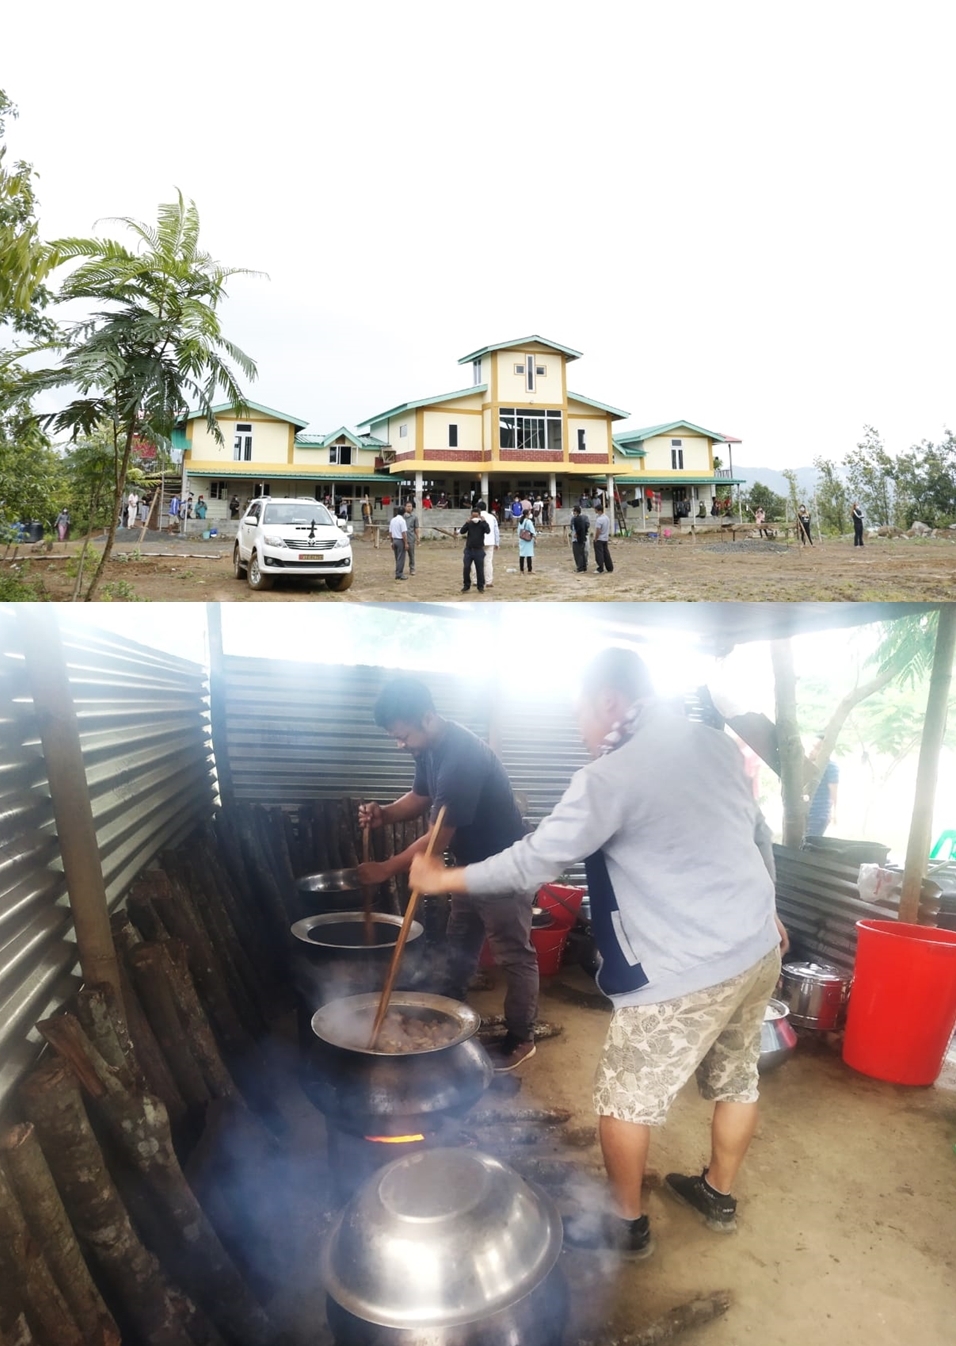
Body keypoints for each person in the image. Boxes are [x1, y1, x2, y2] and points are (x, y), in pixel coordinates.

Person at [411, 647, 788, 1259]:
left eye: (580, 713)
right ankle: (717, 1194)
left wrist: (443, 880)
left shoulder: (611, 777)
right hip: (756, 945)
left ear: (609, 701)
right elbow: (754, 833)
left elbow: (534, 860)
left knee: (623, 1098)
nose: (579, 728)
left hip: (685, 966)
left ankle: (626, 1224)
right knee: (737, 1078)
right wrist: (770, 910)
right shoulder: (713, 744)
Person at [356, 677, 537, 1071]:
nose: (400, 744)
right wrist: (385, 813)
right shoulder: (429, 748)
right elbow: (420, 797)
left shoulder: (461, 758)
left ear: (427, 717)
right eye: (395, 738)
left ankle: (521, 1037)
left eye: (403, 736)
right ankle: (448, 1015)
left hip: (505, 868)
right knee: (460, 942)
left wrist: (387, 867)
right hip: (470, 867)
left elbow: (437, 839)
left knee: (513, 955)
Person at [807, 736, 839, 836]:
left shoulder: (831, 767)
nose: (812, 751)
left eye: (817, 748)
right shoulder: (810, 766)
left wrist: (834, 813)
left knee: (809, 843)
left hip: (818, 814)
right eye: (813, 747)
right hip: (806, 812)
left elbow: (833, 792)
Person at [459, 507, 490, 592]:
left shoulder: (482, 524)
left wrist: (484, 522)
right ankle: (466, 585)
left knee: (479, 569)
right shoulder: (469, 523)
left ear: (480, 516)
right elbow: (462, 531)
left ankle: (480, 587)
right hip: (469, 550)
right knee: (466, 567)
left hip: (479, 550)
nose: (475, 518)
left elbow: (488, 531)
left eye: (476, 516)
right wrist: (466, 523)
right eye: (473, 516)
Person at [477, 499, 499, 587]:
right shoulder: (492, 517)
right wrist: (497, 543)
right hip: (490, 541)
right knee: (488, 562)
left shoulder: (476, 517)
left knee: (476, 562)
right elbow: (496, 530)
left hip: (478, 542)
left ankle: (476, 580)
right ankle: (488, 581)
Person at [593, 502, 614, 574]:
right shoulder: (606, 518)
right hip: (605, 538)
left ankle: (600, 568)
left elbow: (598, 530)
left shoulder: (599, 519)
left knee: (599, 554)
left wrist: (596, 538)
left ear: (599, 510)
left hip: (599, 539)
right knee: (606, 553)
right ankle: (610, 567)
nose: (594, 511)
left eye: (595, 510)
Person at [389, 506, 408, 580]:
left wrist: (391, 542)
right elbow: (404, 533)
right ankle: (399, 574)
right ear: (404, 513)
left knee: (397, 558)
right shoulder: (402, 521)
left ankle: (398, 572)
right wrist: (406, 543)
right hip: (400, 540)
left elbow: (390, 532)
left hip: (394, 540)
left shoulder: (393, 520)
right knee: (401, 558)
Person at [570, 505, 590, 572]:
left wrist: (577, 534)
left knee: (578, 553)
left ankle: (580, 567)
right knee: (582, 553)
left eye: (573, 511)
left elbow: (579, 528)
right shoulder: (581, 518)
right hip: (582, 538)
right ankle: (583, 567)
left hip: (578, 538)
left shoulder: (577, 519)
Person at [404, 500, 421, 576]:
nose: (409, 508)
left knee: (411, 554)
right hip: (402, 538)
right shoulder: (401, 517)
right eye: (408, 506)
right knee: (401, 555)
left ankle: (412, 569)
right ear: (405, 507)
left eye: (410, 506)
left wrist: (418, 538)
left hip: (411, 538)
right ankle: (399, 569)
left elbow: (416, 528)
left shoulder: (414, 517)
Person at [517, 508, 536, 575]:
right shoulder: (529, 522)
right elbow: (532, 531)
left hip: (522, 539)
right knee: (529, 555)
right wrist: (535, 537)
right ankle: (529, 570)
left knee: (522, 554)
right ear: (527, 514)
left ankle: (521, 570)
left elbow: (518, 531)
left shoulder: (520, 521)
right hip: (528, 540)